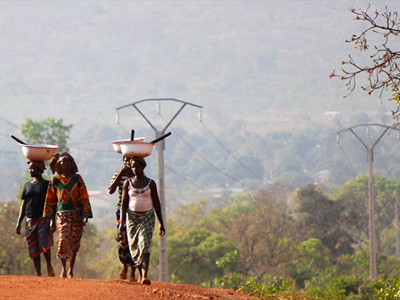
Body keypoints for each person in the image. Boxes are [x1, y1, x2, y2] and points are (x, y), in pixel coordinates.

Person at [43, 152, 93, 278]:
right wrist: (51, 221)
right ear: (59, 165)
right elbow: (50, 201)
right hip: (62, 216)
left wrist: (85, 213)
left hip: (77, 215)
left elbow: (83, 196)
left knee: (75, 242)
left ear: (72, 164)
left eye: (68, 162)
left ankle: (71, 270)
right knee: (63, 239)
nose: (66, 163)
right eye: (63, 162)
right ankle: (63, 270)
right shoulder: (55, 181)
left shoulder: (77, 179)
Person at [119, 157, 165, 285]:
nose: (134, 169)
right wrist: (121, 223)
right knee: (134, 248)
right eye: (133, 167)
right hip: (132, 218)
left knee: (144, 245)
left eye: (137, 167)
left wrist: (161, 222)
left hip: (147, 217)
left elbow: (156, 203)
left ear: (143, 167)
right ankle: (140, 274)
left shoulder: (150, 183)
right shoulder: (128, 183)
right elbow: (123, 204)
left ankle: (144, 276)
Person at [15, 160, 55, 277]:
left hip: (43, 218)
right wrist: (19, 222)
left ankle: (49, 265)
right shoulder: (27, 186)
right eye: (30, 168)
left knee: (44, 243)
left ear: (40, 170)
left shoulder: (47, 185)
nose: (31, 170)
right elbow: (24, 204)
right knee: (33, 246)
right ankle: (38, 274)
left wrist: (52, 221)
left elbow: (52, 203)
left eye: (33, 168)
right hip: (29, 219)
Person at [108, 155, 136, 281]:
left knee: (134, 241)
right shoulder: (118, 175)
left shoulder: (138, 175)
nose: (127, 163)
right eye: (125, 160)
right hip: (121, 211)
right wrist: (121, 174)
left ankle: (133, 272)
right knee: (122, 239)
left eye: (129, 161)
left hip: (136, 212)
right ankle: (124, 265)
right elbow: (111, 190)